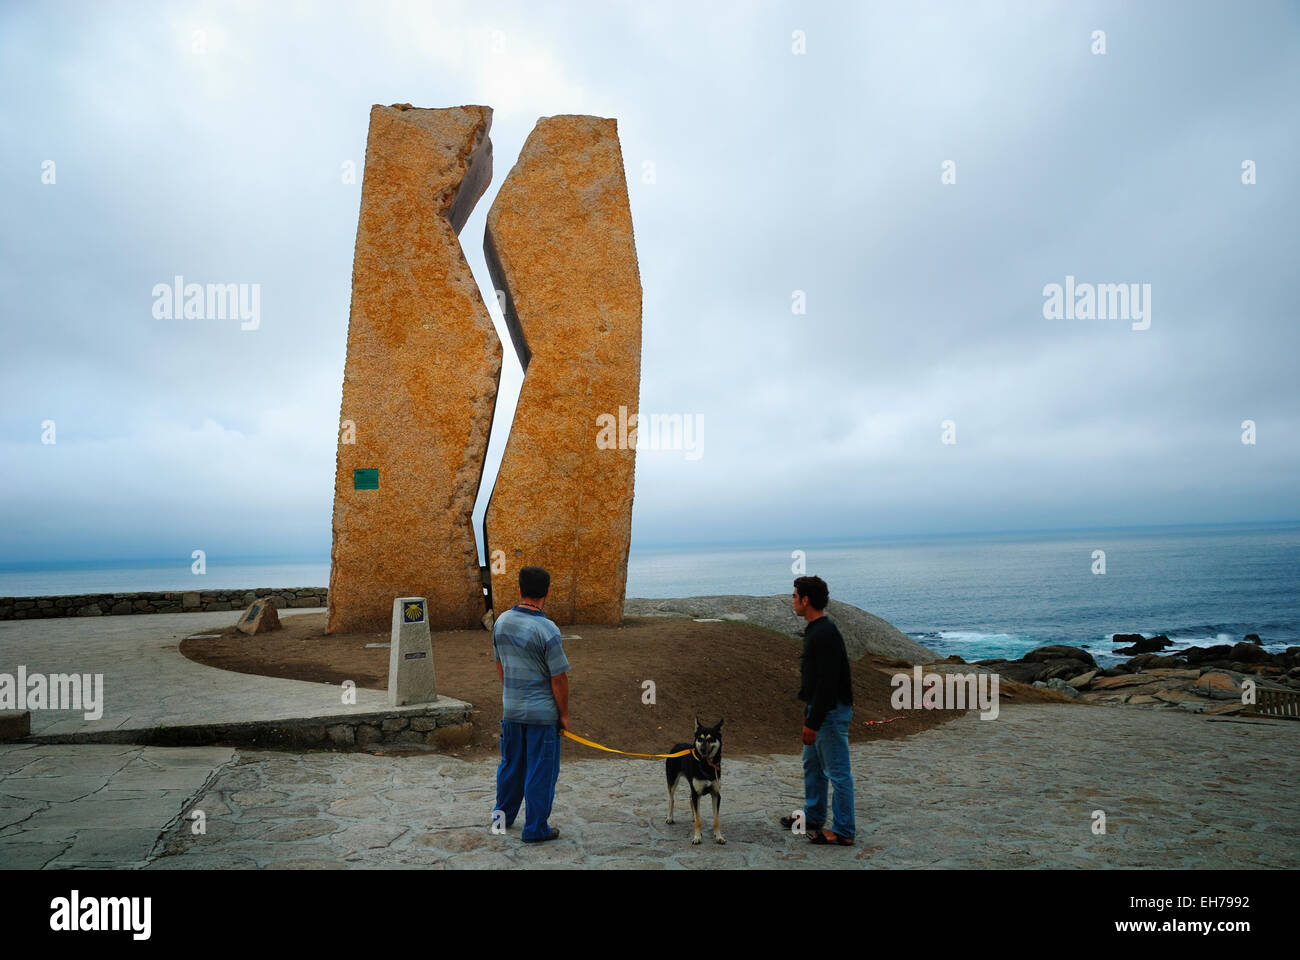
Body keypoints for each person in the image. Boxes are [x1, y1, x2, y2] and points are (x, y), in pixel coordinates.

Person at [491, 565, 570, 843]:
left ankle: (501, 819)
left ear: (520, 589)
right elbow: (558, 680)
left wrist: (513, 694)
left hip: (511, 710)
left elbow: (501, 667)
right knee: (541, 770)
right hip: (542, 714)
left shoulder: (501, 622)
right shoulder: (548, 630)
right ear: (547, 592)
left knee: (510, 766)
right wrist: (564, 716)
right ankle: (536, 829)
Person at [785, 575, 855, 845]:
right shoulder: (816, 629)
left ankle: (844, 831)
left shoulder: (824, 633)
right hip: (819, 709)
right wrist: (809, 708)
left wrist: (814, 721)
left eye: (794, 596)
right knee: (812, 764)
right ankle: (813, 816)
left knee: (838, 772)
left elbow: (828, 682)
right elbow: (815, 679)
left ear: (805, 600)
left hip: (830, 712)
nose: (792, 601)